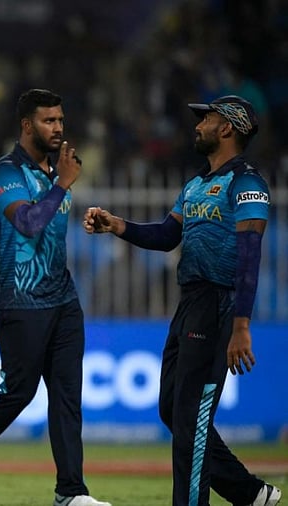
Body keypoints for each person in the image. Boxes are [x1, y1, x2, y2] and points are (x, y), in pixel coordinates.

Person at [83, 95, 281, 506]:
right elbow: (166, 235)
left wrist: (241, 325)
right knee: (172, 408)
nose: (198, 125)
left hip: (219, 304)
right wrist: (118, 225)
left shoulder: (247, 183)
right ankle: (250, 493)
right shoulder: (196, 184)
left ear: (227, 128)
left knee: (191, 414)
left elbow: (249, 257)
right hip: (190, 302)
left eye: (206, 118)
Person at [0, 88, 107, 506]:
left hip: (63, 298)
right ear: (28, 125)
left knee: (67, 396)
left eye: (61, 120)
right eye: (49, 121)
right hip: (18, 298)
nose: (58, 128)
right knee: (19, 389)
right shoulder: (5, 173)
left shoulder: (53, 173)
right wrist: (63, 184)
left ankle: (71, 492)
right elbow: (29, 223)